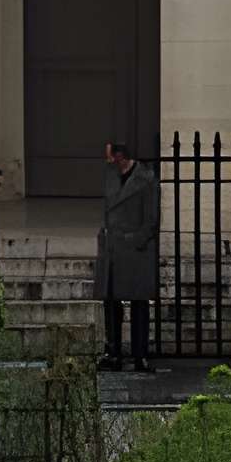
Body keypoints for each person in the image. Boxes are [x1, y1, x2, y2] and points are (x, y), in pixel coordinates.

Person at [97, 139, 158, 373]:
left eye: (110, 157)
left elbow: (151, 219)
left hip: (134, 249)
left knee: (139, 303)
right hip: (113, 248)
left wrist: (134, 241)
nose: (107, 161)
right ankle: (113, 352)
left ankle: (139, 354)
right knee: (111, 302)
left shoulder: (146, 179)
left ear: (120, 156)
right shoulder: (110, 176)